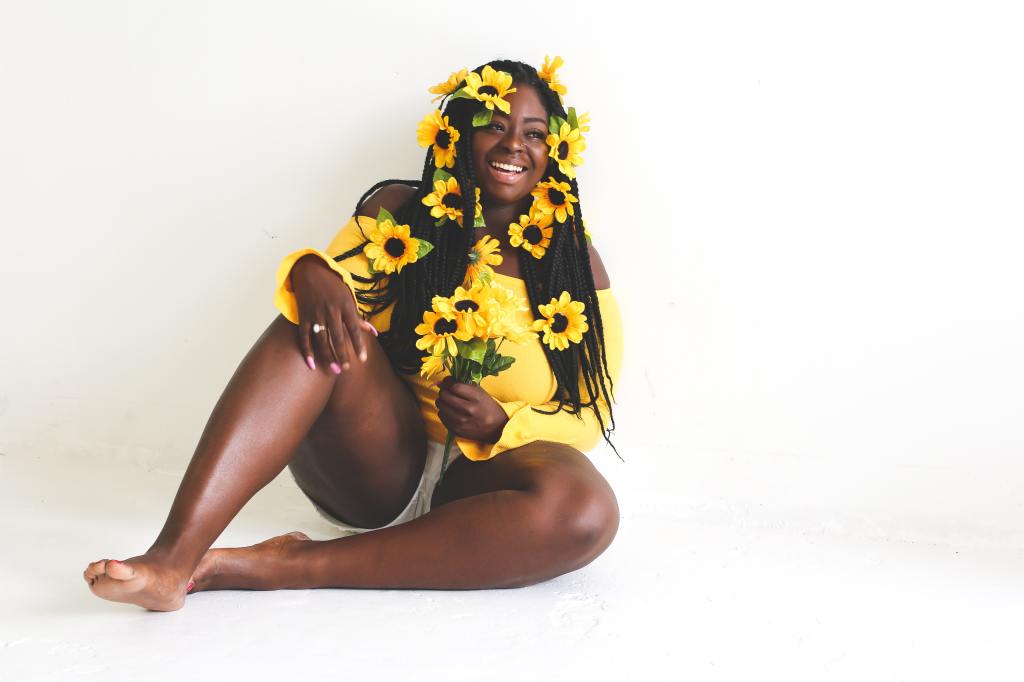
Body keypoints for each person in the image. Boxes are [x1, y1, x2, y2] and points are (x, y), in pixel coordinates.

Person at [82, 58, 624, 611]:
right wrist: (311, 270)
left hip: (489, 486)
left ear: (554, 150)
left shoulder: (573, 264)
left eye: (533, 133)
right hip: (380, 468)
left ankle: (288, 564)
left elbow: (591, 412)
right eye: (494, 125)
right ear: (458, 133)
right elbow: (338, 289)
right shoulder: (402, 215)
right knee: (317, 326)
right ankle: (171, 560)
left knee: (588, 510)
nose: (513, 145)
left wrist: (503, 424)